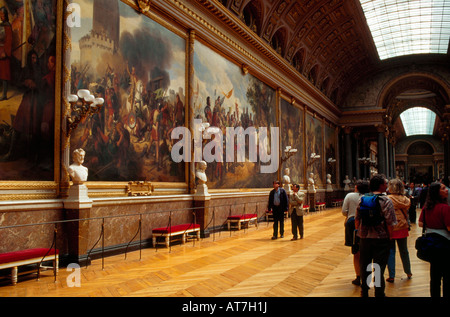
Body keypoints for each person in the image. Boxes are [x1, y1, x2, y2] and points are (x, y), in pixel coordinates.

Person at [355, 174, 397, 297]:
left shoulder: (362, 199)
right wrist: (390, 237)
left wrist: (360, 233)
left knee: (365, 265)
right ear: (381, 185)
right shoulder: (386, 201)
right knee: (378, 267)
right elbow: (390, 223)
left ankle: (365, 291)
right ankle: (378, 292)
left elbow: (357, 219)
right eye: (385, 183)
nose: (387, 185)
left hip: (364, 238)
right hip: (381, 239)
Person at [418, 182, 450, 298]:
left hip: (431, 245)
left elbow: (421, 223)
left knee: (434, 276)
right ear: (437, 192)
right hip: (445, 245)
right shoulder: (445, 208)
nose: (446, 190)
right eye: (443, 188)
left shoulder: (427, 207)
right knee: (447, 276)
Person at [342, 179, 370, 286]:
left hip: (353, 224)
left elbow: (344, 211)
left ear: (357, 187)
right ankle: (367, 276)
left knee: (356, 251)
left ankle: (358, 276)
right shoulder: (370, 197)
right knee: (367, 251)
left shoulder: (350, 196)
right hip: (368, 224)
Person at [386, 178, 412, 283]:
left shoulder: (388, 199)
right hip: (402, 226)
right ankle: (408, 271)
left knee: (391, 251)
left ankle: (391, 275)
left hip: (391, 227)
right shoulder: (406, 199)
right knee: (404, 251)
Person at [0, 7, 12, 101]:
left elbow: (9, 41)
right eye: (0, 14)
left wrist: (5, 52)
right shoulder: (1, 25)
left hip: (4, 52)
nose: (1, 16)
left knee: (4, 74)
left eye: (3, 14)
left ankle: (4, 95)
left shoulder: (7, 25)